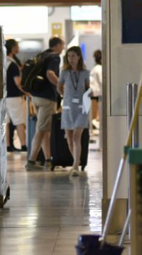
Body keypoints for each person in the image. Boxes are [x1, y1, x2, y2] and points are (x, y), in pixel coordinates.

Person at [26, 37, 65, 171]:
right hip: (47, 98)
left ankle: (48, 160)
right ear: (58, 45)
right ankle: (31, 161)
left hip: (36, 96)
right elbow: (50, 74)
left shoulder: (42, 55)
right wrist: (61, 86)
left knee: (45, 129)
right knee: (41, 129)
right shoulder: (55, 57)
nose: (63, 48)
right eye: (62, 45)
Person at [58, 46, 90, 176]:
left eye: (73, 56)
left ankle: (76, 165)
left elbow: (88, 87)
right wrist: (65, 97)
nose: (71, 59)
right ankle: (75, 161)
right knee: (70, 139)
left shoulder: (85, 72)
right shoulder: (64, 72)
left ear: (79, 57)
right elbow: (59, 87)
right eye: (69, 56)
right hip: (68, 107)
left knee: (77, 136)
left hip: (81, 108)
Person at [4, 39, 27, 153]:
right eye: (17, 46)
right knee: (19, 121)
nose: (18, 48)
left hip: (3, 97)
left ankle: (7, 146)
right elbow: (18, 83)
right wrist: (27, 92)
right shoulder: (13, 65)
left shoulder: (3, 62)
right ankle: (24, 145)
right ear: (12, 48)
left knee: (6, 122)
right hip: (14, 96)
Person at [89, 49, 103, 132]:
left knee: (96, 110)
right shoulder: (100, 69)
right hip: (99, 92)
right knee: (98, 110)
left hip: (93, 92)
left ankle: (95, 123)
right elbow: (102, 81)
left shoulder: (94, 68)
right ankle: (96, 123)